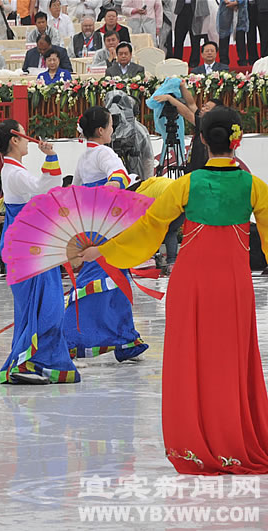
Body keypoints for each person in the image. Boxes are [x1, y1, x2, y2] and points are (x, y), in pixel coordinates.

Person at [79, 106, 268, 474]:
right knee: (230, 360)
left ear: (199, 140)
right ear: (237, 140)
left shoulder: (184, 185)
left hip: (191, 285)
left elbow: (147, 227)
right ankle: (234, 437)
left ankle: (196, 442)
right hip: (233, 286)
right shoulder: (254, 186)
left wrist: (103, 248)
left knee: (192, 361)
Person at [0, 120, 80, 384]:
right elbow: (44, 189)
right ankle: (26, 362)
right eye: (24, 133)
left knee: (39, 304)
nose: (30, 138)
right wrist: (51, 157)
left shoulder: (14, 170)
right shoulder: (15, 173)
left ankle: (34, 361)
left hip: (30, 240)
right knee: (46, 304)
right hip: (28, 243)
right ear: (15, 139)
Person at [64, 106, 148, 362]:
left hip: (91, 227)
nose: (113, 130)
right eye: (111, 126)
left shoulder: (84, 157)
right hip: (106, 228)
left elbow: (75, 191)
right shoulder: (104, 152)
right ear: (101, 131)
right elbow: (119, 177)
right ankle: (69, 336)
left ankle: (125, 338)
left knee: (111, 278)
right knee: (108, 277)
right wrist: (109, 195)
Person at [152, 80, 222, 171]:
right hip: (192, 168)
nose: (203, 108)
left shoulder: (209, 125)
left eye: (207, 108)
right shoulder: (202, 119)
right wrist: (182, 86)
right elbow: (191, 104)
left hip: (201, 171)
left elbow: (187, 114)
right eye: (204, 106)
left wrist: (170, 99)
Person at [172, 0, 208, 67]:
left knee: (195, 39)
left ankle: (194, 63)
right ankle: (177, 61)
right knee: (178, 39)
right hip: (182, 9)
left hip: (195, 10)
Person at [218, 0, 249, 66]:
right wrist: (228, 2)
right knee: (224, 35)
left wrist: (236, 2)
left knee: (240, 35)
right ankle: (223, 61)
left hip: (240, 8)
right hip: (225, 7)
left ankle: (242, 61)